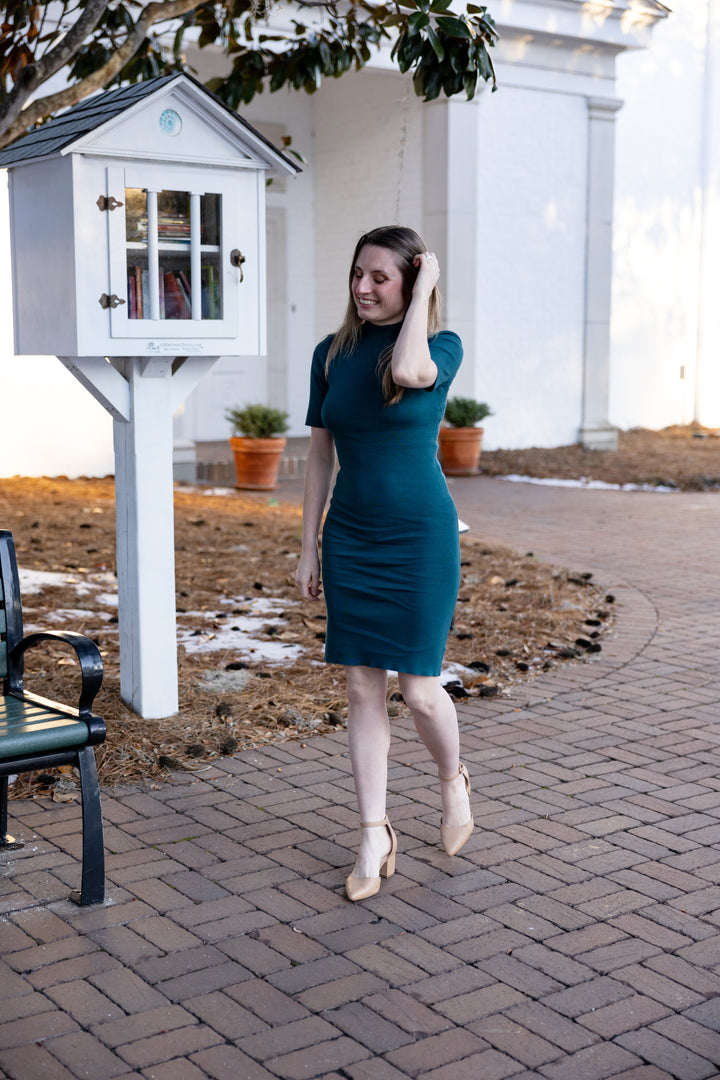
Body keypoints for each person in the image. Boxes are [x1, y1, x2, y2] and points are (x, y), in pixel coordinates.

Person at [296, 225, 473, 901]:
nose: (363, 288)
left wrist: (427, 287)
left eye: (381, 277)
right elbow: (319, 454)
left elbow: (407, 373)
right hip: (352, 538)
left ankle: (452, 779)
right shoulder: (330, 354)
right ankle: (374, 832)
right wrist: (307, 543)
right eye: (357, 274)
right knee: (363, 686)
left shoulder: (441, 347)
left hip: (420, 538)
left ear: (410, 282)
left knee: (419, 690)